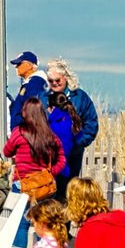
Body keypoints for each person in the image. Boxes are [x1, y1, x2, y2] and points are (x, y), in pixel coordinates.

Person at [44, 59, 98, 192]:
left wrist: (78, 143)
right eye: (51, 81)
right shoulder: (44, 97)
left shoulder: (80, 97)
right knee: (49, 192)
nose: (55, 84)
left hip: (72, 154)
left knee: (69, 190)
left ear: (66, 78)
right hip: (48, 155)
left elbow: (91, 123)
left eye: (58, 80)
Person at [2, 98, 64, 187]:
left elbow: (7, 152)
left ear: (24, 113)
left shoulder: (18, 132)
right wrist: (51, 172)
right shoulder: (50, 134)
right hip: (45, 183)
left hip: (22, 183)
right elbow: (61, 159)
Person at [7, 50, 47, 131]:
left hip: (27, 133)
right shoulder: (29, 83)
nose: (16, 67)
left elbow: (32, 110)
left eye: (19, 64)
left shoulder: (35, 83)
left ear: (29, 65)